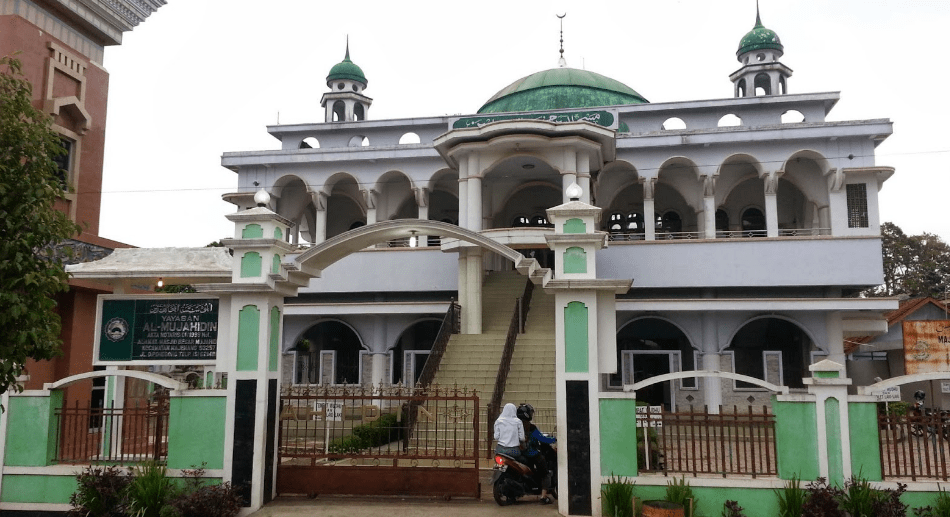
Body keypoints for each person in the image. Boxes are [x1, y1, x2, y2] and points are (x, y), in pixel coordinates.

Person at [517, 403, 556, 505]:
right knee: (545, 473)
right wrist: (554, 439)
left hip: (517, 453)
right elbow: (542, 439)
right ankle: (543, 496)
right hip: (531, 454)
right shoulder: (531, 428)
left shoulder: (515, 426)